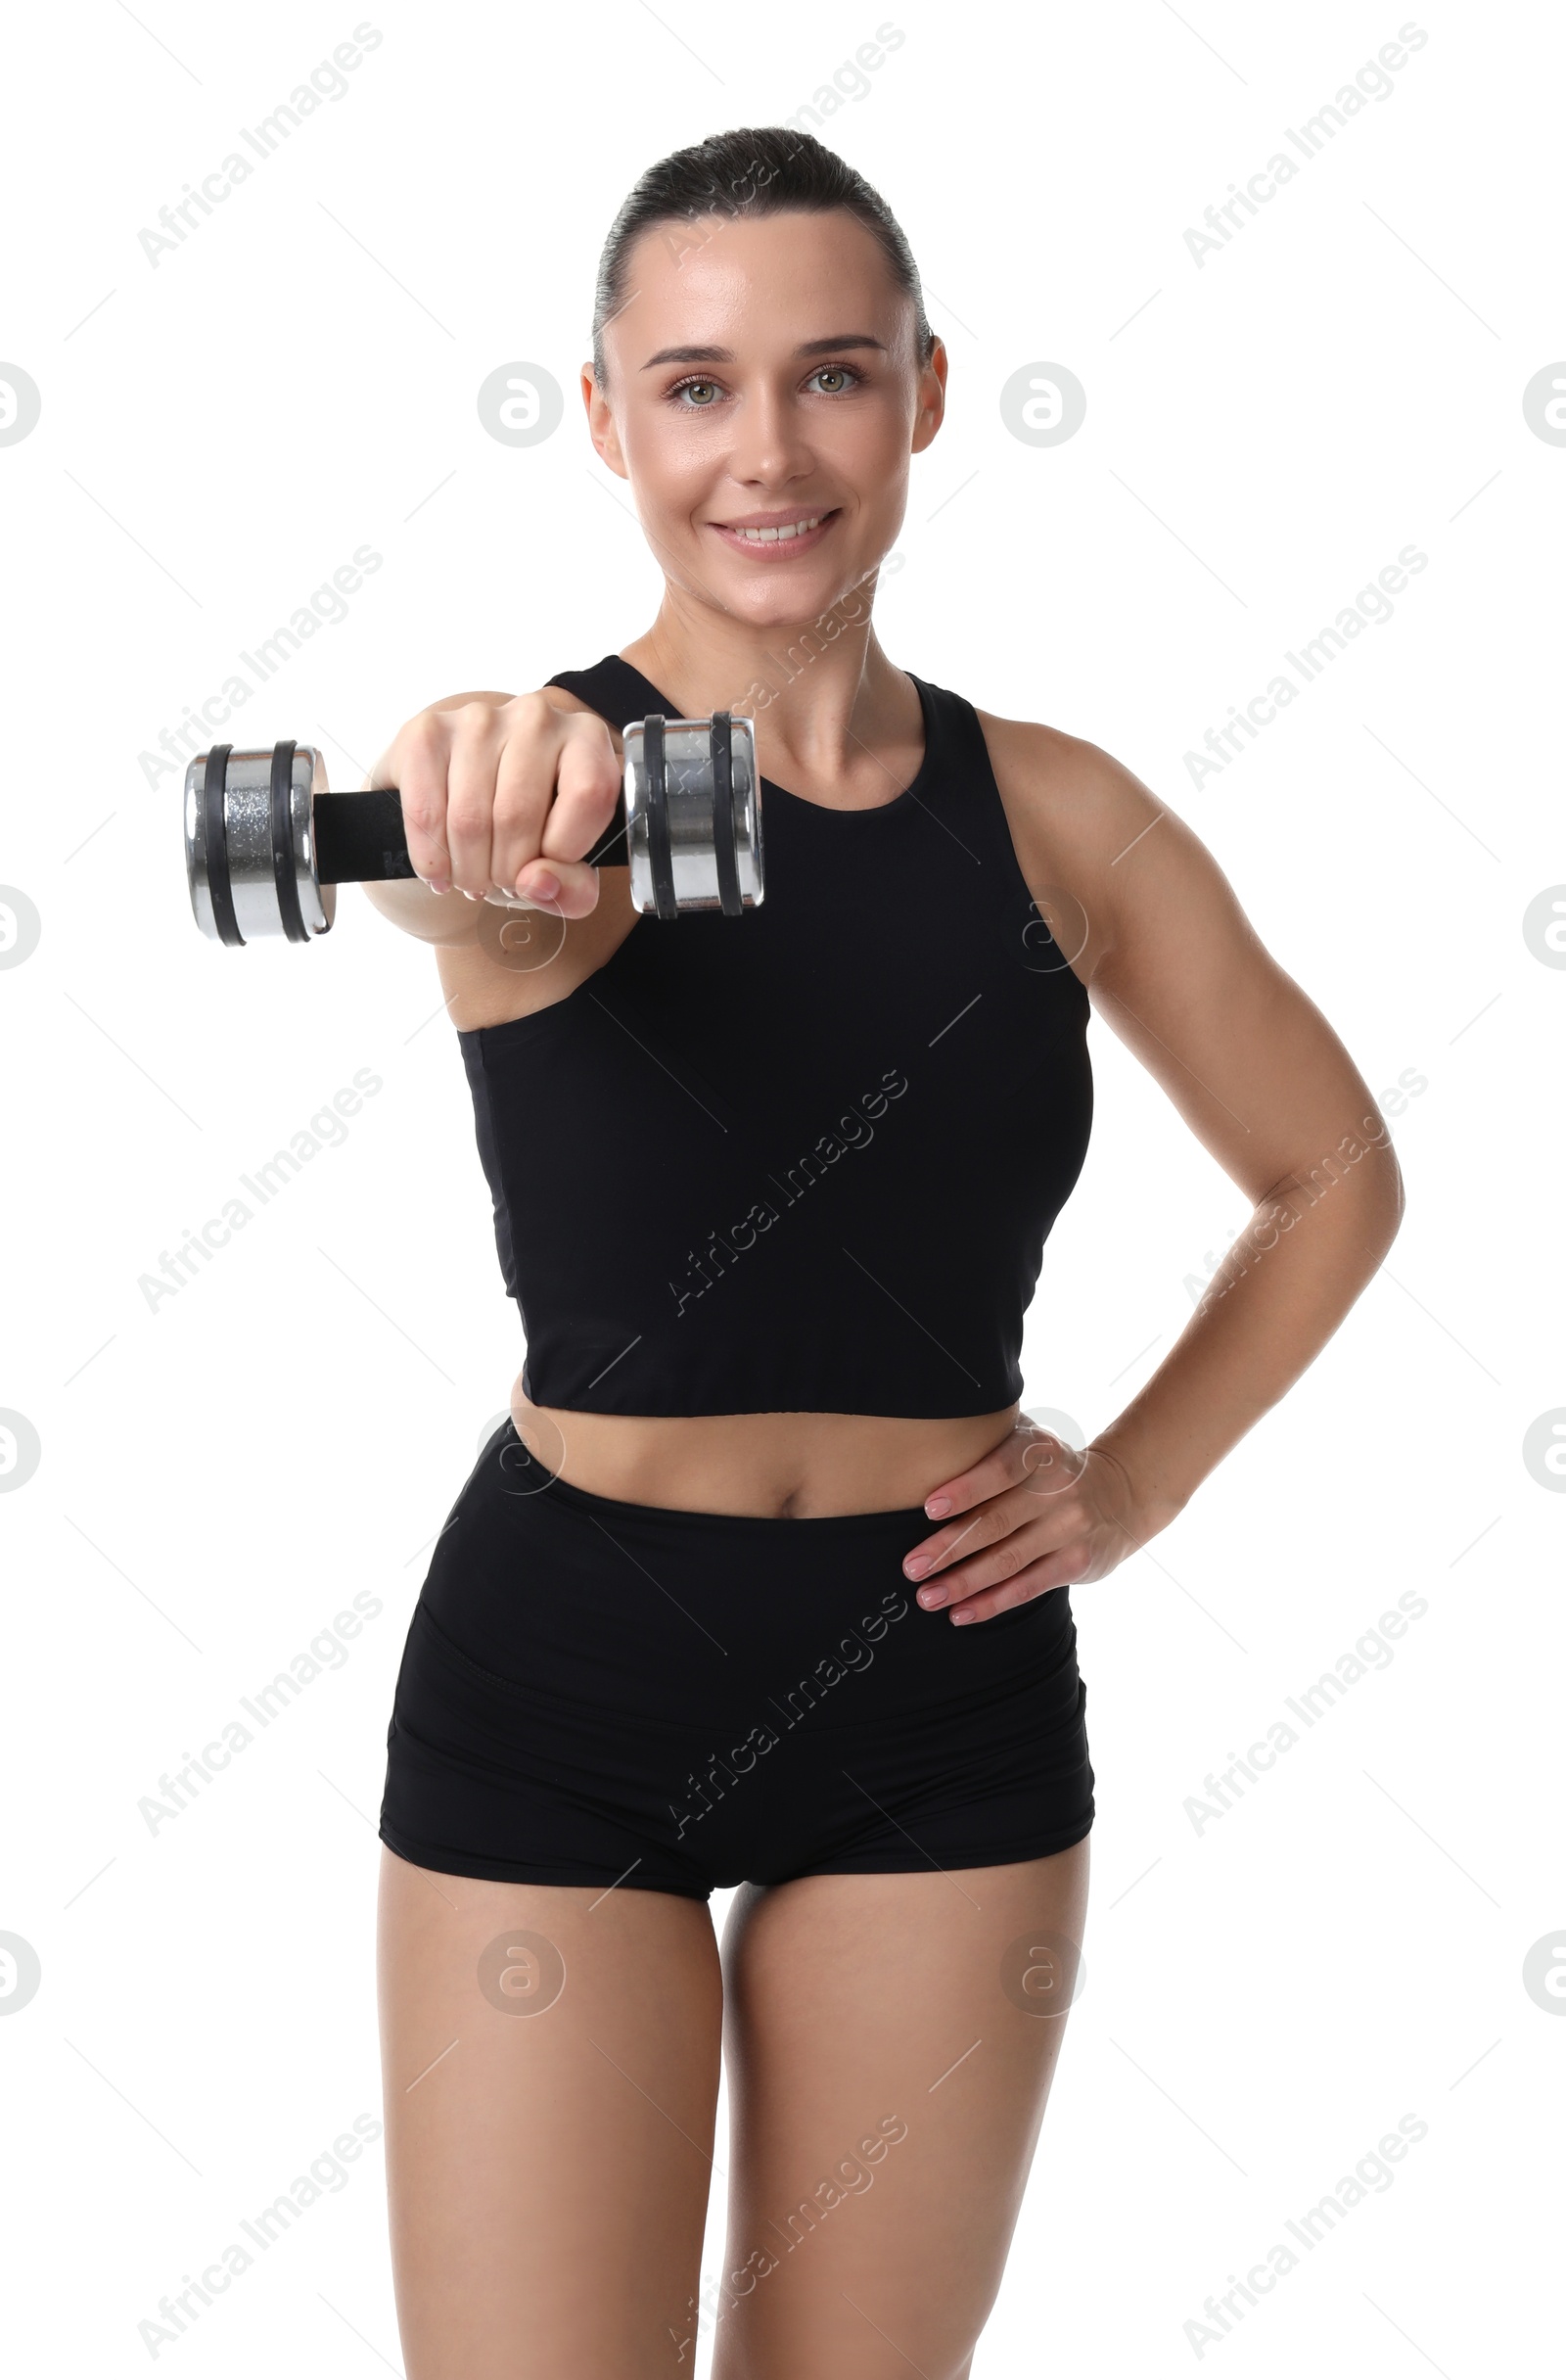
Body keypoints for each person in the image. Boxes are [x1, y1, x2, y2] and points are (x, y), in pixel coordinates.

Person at [363, 126, 1404, 2380]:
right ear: (609, 418)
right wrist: (456, 793)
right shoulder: (549, 787)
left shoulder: (1059, 814)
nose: (765, 452)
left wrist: (1125, 1487)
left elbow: (1329, 1173)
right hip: (565, 1687)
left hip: (938, 1694)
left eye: (829, 377)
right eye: (699, 387)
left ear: (924, 395)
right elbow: (482, 878)